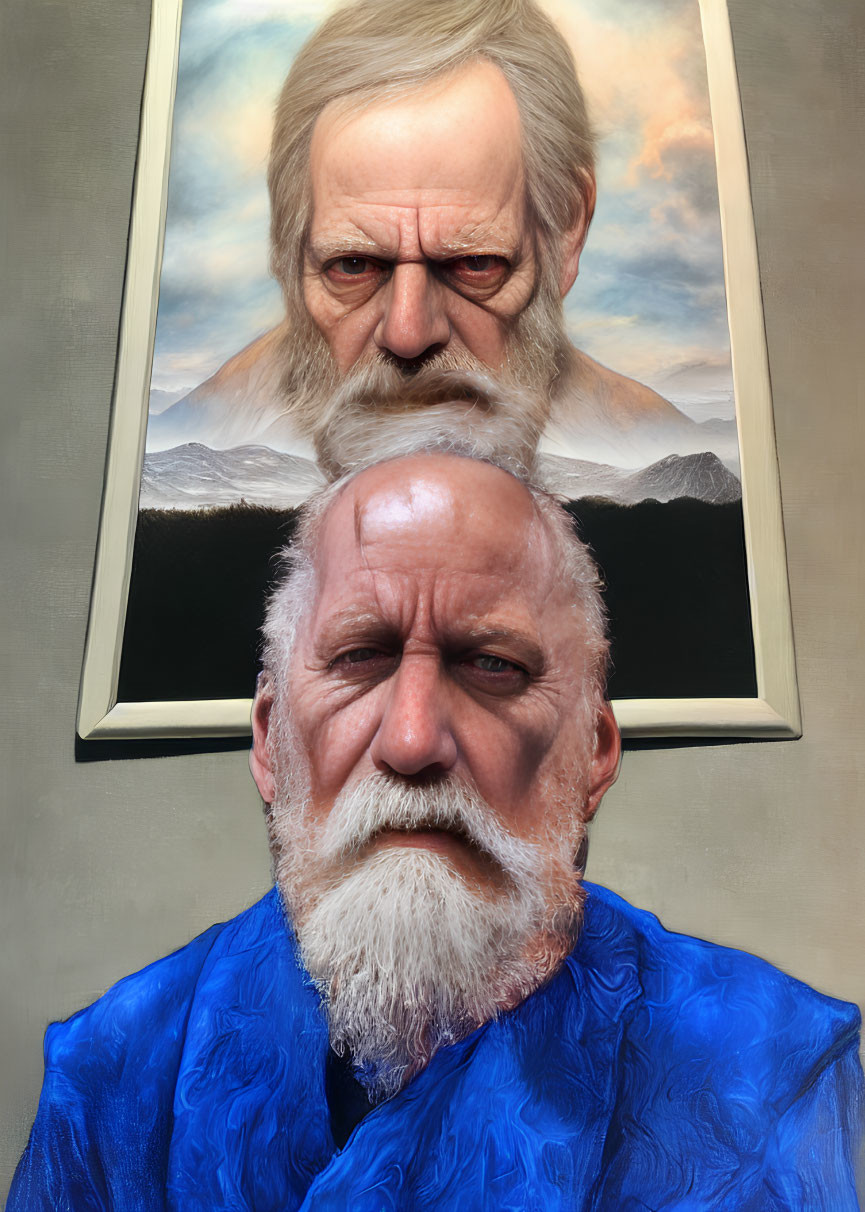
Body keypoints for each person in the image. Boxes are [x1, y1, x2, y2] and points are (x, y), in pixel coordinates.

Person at [10, 449, 862, 1209]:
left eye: (493, 664)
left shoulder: (776, 1081)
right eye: (358, 657)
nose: (412, 740)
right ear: (270, 743)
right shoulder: (116, 1074)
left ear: (591, 754)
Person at [154, 0, 704, 473]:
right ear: (286, 243)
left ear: (565, 233)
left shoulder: (659, 448)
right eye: (353, 266)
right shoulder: (182, 438)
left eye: (474, 264)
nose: (408, 333)